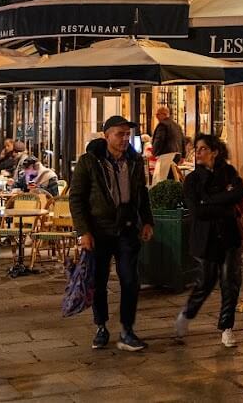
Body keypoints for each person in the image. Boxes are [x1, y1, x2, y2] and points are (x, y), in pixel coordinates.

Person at [69, 115, 154, 353]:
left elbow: (142, 194)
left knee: (130, 280)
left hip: (127, 228)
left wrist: (147, 221)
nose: (125, 138)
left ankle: (127, 330)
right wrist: (83, 231)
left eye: (128, 134)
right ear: (106, 136)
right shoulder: (89, 161)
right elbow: (76, 198)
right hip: (99, 230)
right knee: (99, 281)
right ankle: (101, 326)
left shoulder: (136, 160)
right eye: (120, 134)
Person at [176, 133, 243, 348]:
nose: (198, 152)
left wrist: (209, 200)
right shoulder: (192, 180)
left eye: (203, 148)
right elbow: (197, 212)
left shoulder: (229, 172)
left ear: (215, 152)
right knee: (205, 282)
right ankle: (187, 315)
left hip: (229, 236)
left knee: (229, 281)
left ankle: (227, 328)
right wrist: (223, 203)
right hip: (205, 238)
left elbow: (238, 195)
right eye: (196, 148)